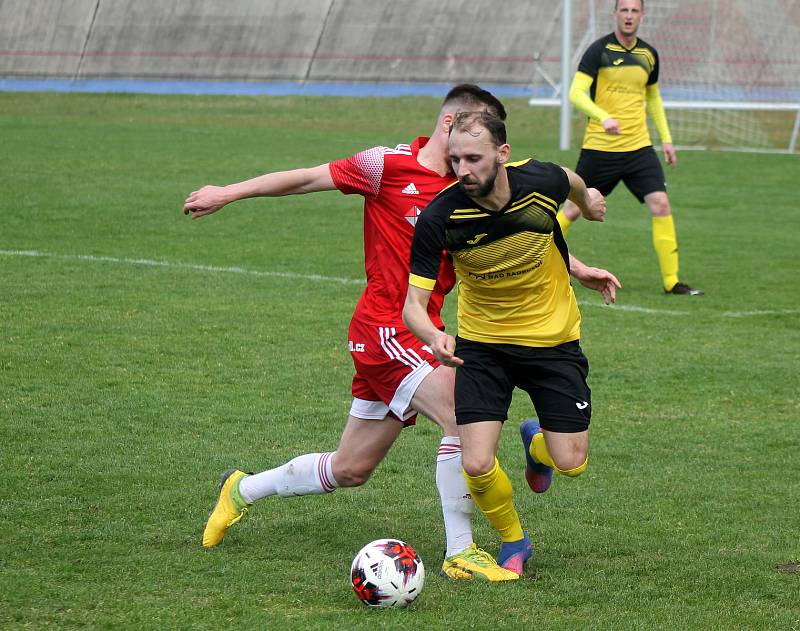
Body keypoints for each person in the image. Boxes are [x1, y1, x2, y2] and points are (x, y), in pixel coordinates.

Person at [184, 84, 524, 581]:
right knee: (462, 415)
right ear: (451, 126)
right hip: (385, 329)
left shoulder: (470, 187)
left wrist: (576, 265)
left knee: (350, 469)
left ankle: (241, 489)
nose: (478, 157)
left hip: (423, 331)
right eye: (474, 137)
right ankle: (461, 552)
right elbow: (306, 179)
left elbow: (522, 232)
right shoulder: (385, 165)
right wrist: (228, 193)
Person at [403, 111, 620, 576]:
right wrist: (434, 336)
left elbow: (571, 179)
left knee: (572, 463)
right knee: (477, 463)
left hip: (553, 340)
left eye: (474, 158)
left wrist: (590, 202)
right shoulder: (440, 216)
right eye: (456, 158)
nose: (463, 169)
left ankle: (536, 443)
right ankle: (513, 540)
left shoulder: (540, 179)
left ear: (502, 154)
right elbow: (412, 306)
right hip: (483, 347)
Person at [557, 0, 703, 296]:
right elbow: (575, 93)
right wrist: (603, 117)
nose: (628, 16)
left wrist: (667, 139)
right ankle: (540, 259)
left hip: (638, 148)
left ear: (641, 16)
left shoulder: (649, 55)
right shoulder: (599, 50)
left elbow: (653, 99)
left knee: (661, 203)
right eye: (624, 10)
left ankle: (671, 281)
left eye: (634, 11)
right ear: (615, 15)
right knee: (572, 209)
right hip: (600, 147)